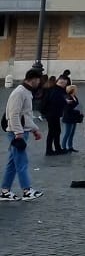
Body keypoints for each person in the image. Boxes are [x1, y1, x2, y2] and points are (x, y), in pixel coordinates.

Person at [1, 69, 44, 201]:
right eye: (39, 80)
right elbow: (13, 114)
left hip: (20, 131)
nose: (39, 83)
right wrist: (18, 133)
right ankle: (26, 190)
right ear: (34, 79)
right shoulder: (20, 92)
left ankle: (5, 191)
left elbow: (25, 115)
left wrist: (34, 129)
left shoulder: (25, 92)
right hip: (17, 133)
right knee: (22, 162)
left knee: (13, 163)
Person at [43, 75, 66, 156]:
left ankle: (56, 148)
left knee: (55, 131)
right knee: (53, 132)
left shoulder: (52, 89)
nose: (65, 86)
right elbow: (57, 102)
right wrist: (66, 102)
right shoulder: (57, 91)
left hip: (51, 114)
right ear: (62, 83)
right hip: (53, 114)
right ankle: (50, 149)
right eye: (65, 84)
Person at [60, 83, 83, 153]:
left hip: (74, 117)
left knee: (72, 133)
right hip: (69, 117)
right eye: (75, 89)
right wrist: (76, 109)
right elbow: (67, 109)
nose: (76, 90)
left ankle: (70, 146)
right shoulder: (67, 97)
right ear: (72, 90)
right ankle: (63, 147)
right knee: (67, 133)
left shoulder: (74, 97)